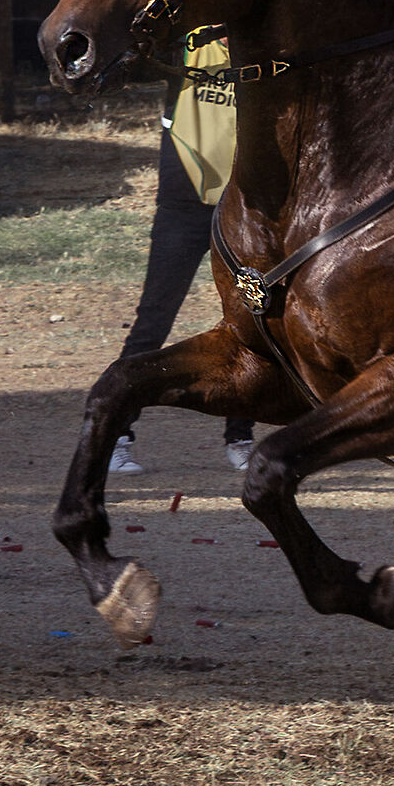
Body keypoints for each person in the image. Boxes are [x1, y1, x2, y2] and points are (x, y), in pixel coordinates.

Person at [108, 29, 256, 477]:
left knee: (251, 322)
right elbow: (131, 52)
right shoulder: (187, 42)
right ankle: (115, 434)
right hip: (183, 205)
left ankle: (241, 437)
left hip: (245, 205)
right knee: (153, 320)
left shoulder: (262, 48)